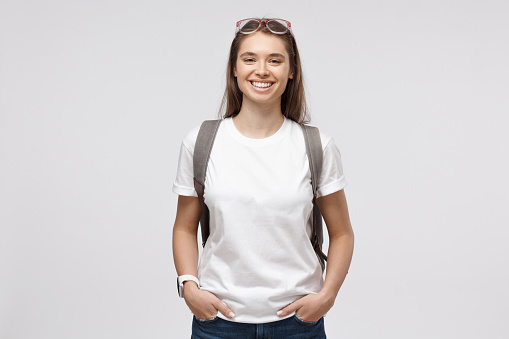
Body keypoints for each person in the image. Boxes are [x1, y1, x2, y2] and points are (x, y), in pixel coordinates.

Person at [172, 17, 354, 338]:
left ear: (291, 70)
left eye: (275, 60)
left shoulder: (316, 146)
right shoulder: (201, 141)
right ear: (234, 68)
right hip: (218, 324)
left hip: (297, 325)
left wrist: (326, 297)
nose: (262, 70)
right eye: (249, 59)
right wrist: (189, 286)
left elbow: (341, 234)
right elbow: (184, 227)